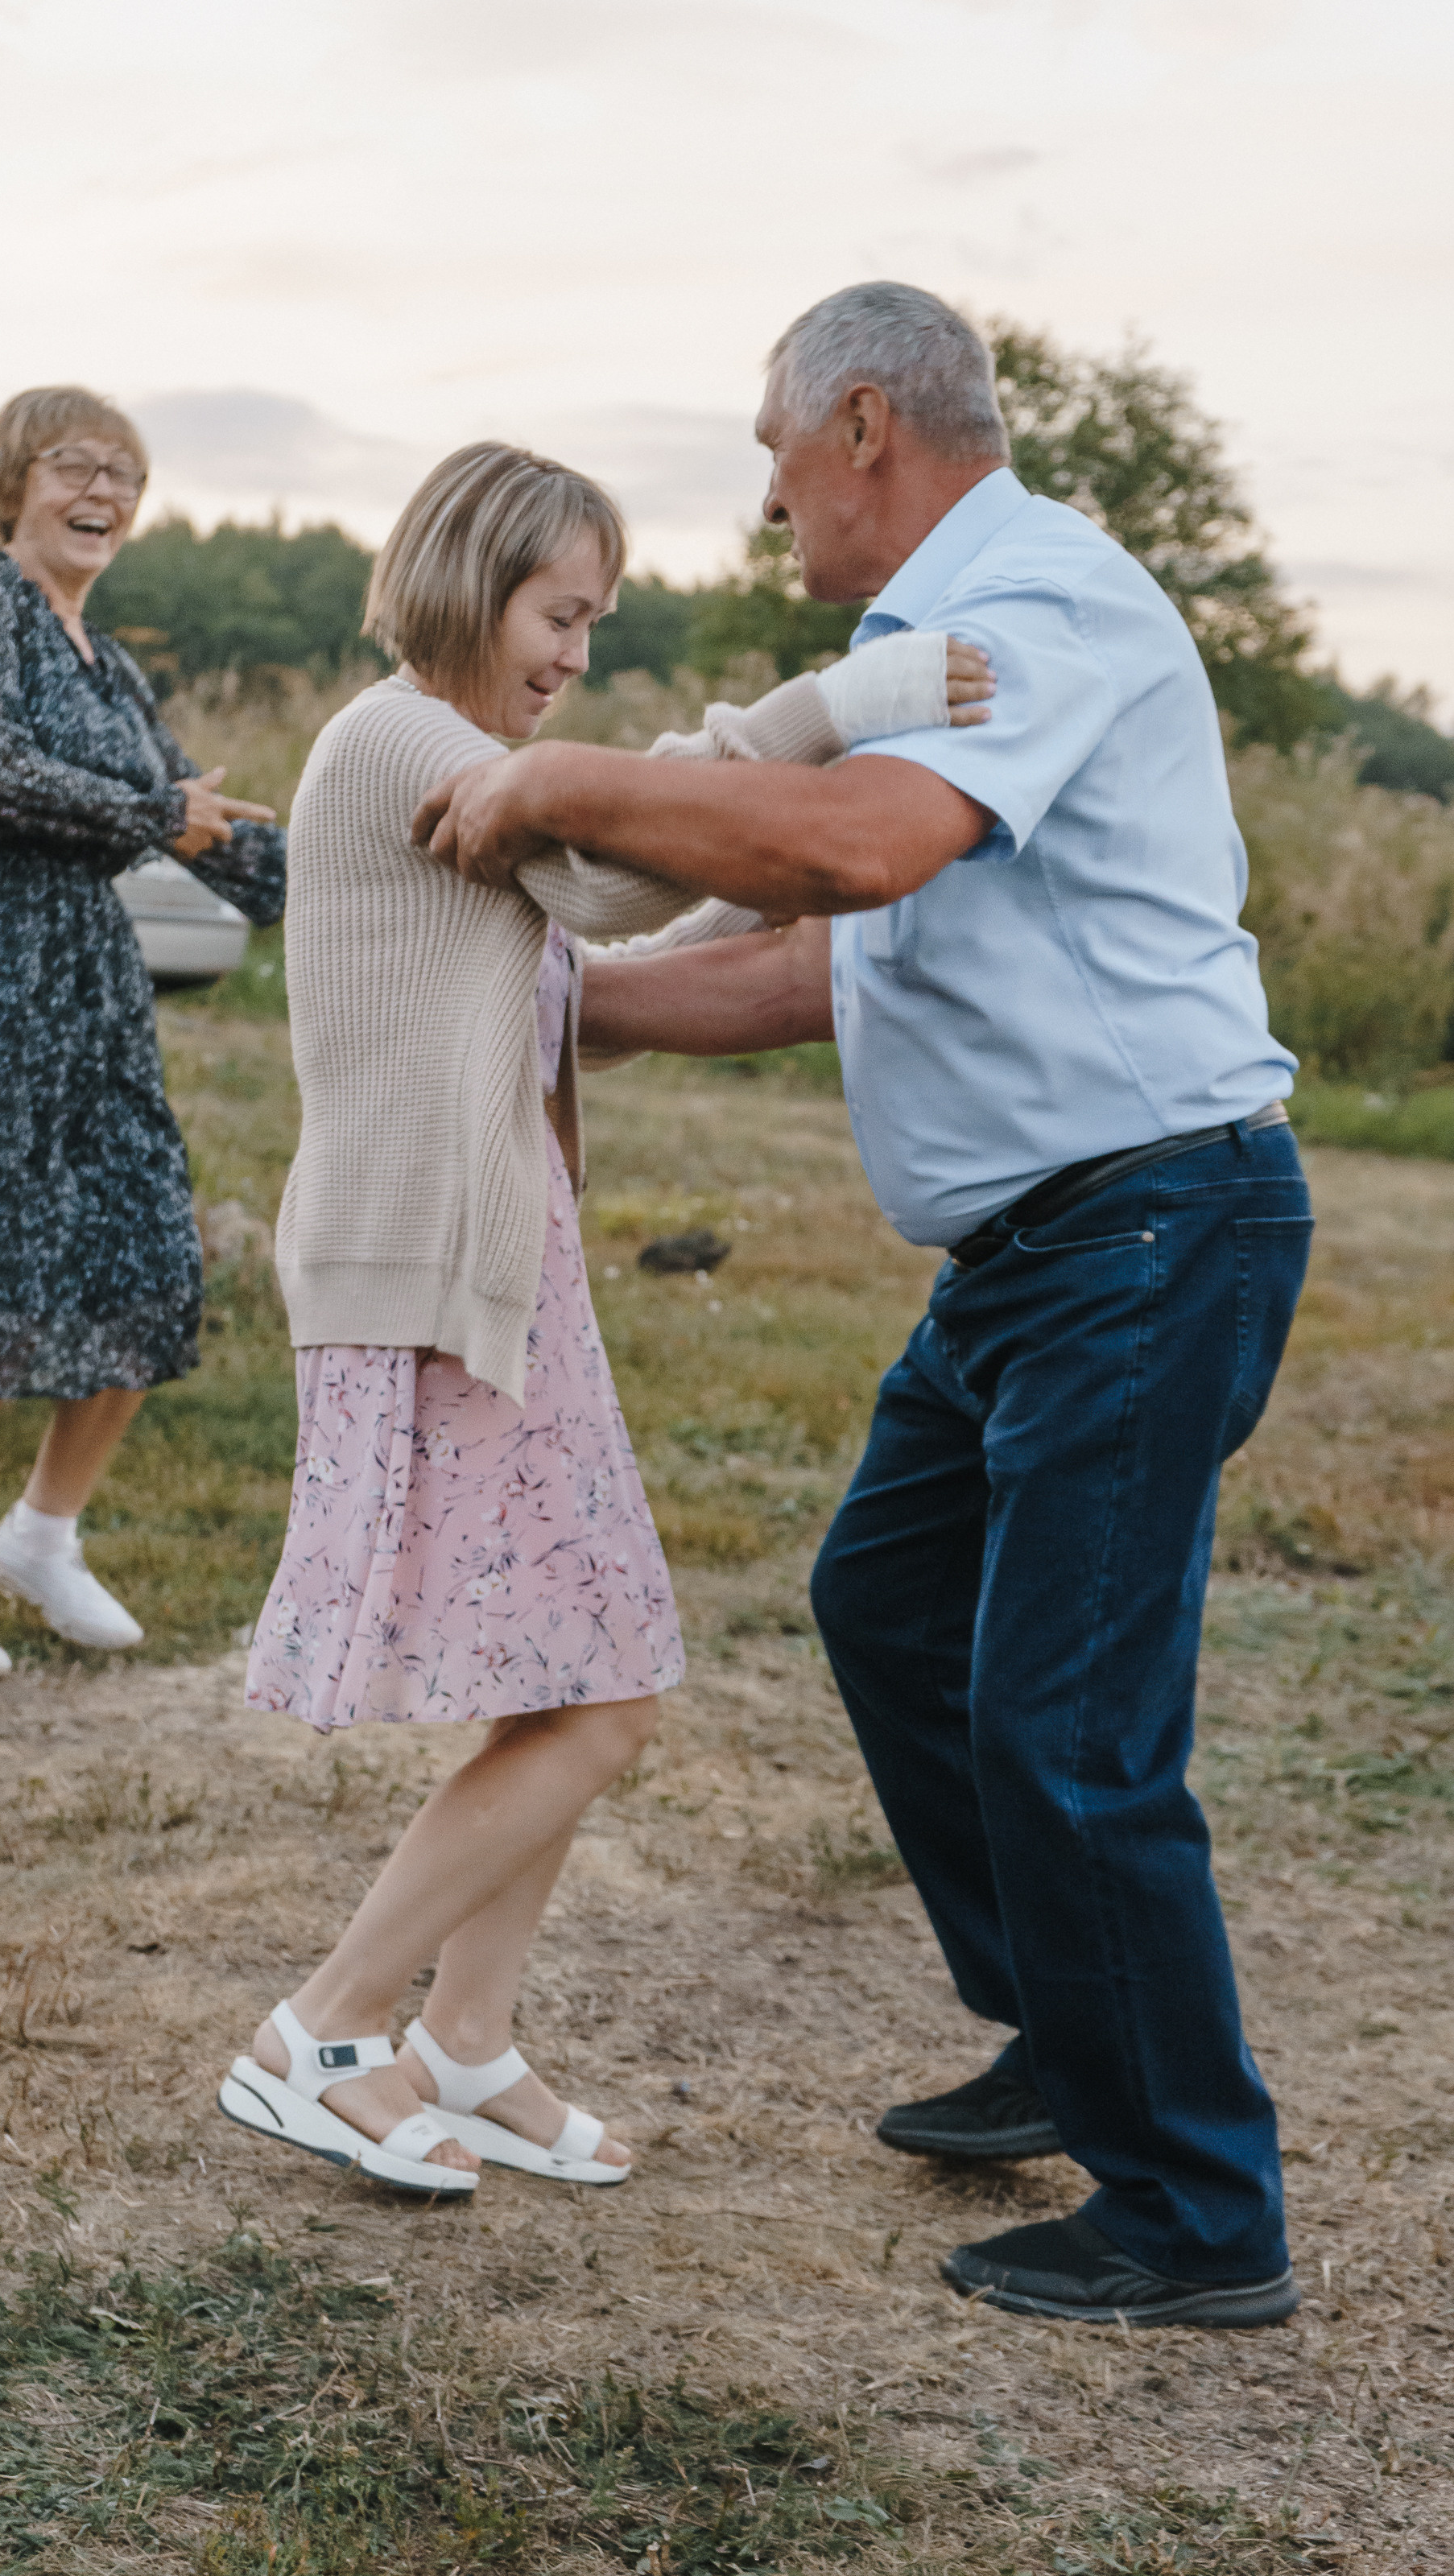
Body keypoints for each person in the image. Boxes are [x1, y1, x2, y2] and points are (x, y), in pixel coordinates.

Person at [413, 285, 1311, 2326]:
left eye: (768, 454)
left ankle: (1192, 2211)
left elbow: (855, 850)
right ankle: (1057, 2023)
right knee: (886, 1604)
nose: (764, 501)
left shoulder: (1042, 608)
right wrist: (576, 1006)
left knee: (1064, 1718)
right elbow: (838, 959)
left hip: (1149, 1225)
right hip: (1032, 1253)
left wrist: (559, 779)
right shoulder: (911, 652)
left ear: (864, 423)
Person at [219, 440, 989, 2195]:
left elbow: (619, 912)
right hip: (423, 1279)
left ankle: (463, 2041)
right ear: (470, 578)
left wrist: (800, 843)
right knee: (602, 1697)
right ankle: (319, 2028)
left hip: (504, 1273)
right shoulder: (399, 737)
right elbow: (608, 869)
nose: (574, 648)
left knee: (591, 1670)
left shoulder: (475, 766)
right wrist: (820, 705)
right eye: (559, 610)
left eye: (593, 621)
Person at [0, 387, 285, 1685]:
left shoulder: (113, 662)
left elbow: (214, 830)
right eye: (72, 466)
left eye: (123, 474)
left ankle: (41, 1536)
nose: (101, 491)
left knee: (148, 1250)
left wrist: (389, 890)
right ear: (14, 484)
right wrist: (158, 812)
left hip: (85, 985)